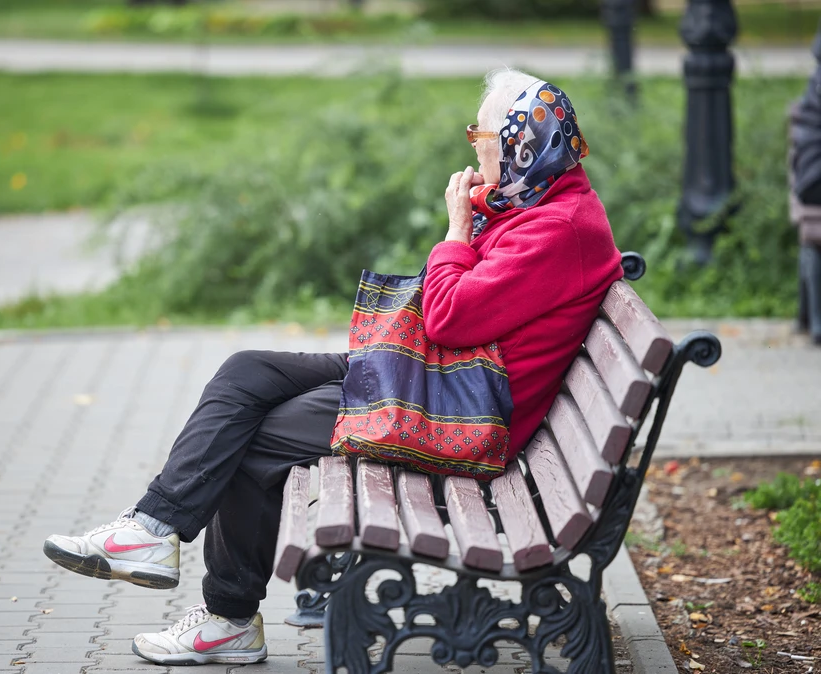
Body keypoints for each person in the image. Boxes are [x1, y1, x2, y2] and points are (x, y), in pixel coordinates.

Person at [43, 68, 623, 667]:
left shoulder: (559, 229)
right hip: (440, 375)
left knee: (255, 439)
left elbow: (447, 315)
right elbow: (457, 305)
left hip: (464, 413)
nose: (475, 152)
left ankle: (227, 619)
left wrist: (457, 228)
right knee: (247, 371)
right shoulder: (540, 200)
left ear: (525, 145)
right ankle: (151, 528)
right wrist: (479, 217)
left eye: (484, 140)